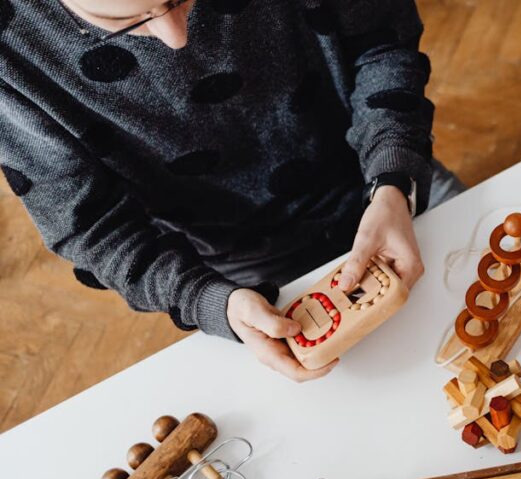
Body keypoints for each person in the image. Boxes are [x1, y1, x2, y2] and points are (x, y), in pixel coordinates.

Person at [0, 0, 462, 381]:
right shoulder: (11, 52)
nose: (177, 35)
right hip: (236, 269)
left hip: (387, 175)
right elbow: (91, 229)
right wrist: (207, 300)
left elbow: (384, 46)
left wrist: (392, 180)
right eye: (122, 24)